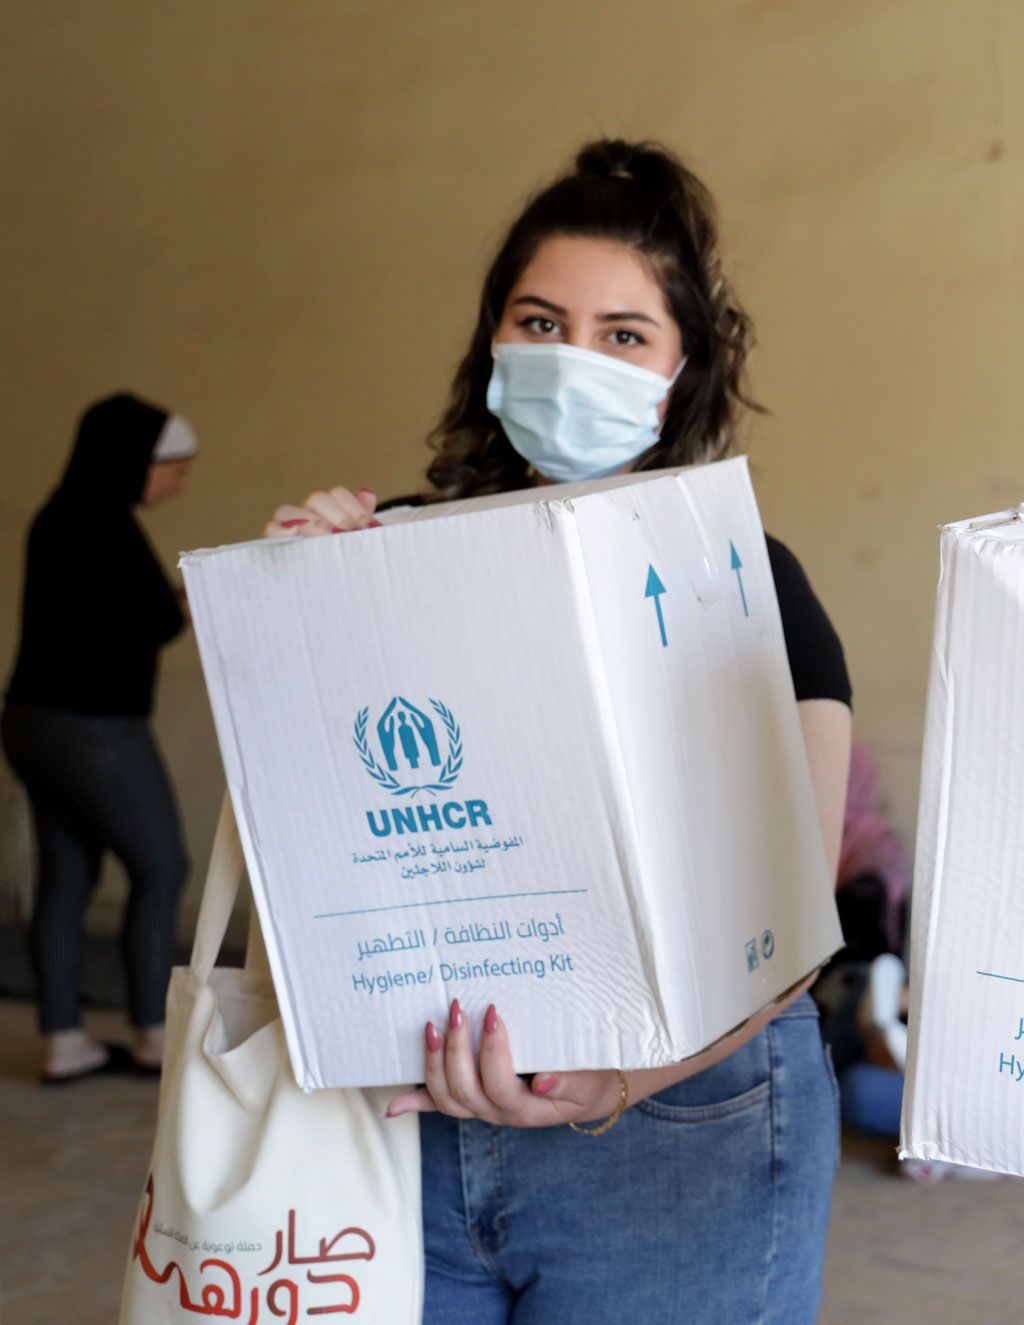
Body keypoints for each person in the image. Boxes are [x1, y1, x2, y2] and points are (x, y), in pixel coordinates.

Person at [265, 140, 850, 1324]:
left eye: (623, 334)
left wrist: (616, 1078)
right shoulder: (387, 560)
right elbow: (303, 838)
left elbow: (790, 930)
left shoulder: (744, 581)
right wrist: (292, 614)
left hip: (676, 1131)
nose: (572, 358)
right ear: (491, 343)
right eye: (540, 321)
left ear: (680, 372)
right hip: (401, 1133)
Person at [5, 394, 196, 1084]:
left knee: (69, 873)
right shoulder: (103, 524)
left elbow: (119, 615)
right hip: (92, 727)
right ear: (135, 463)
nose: (179, 480)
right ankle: (152, 1031)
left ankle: (65, 1038)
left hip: (33, 721)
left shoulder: (62, 515)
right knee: (163, 865)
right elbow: (148, 620)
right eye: (174, 467)